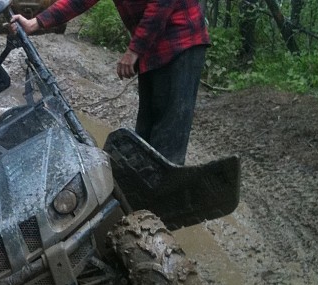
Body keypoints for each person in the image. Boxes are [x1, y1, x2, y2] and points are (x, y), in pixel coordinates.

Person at [11, 0, 210, 165]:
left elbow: (162, 4)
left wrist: (134, 50)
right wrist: (36, 22)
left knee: (168, 137)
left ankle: (166, 194)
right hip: (152, 48)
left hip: (181, 42)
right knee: (145, 135)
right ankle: (141, 193)